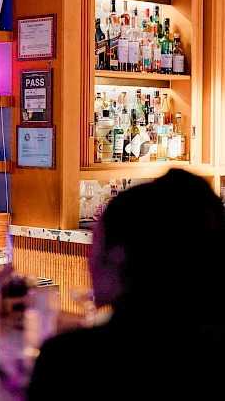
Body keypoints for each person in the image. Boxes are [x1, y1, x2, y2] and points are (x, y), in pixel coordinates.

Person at [27, 169, 225, 399]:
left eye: (96, 242)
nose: (89, 260)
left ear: (117, 257)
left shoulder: (69, 360)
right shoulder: (211, 354)